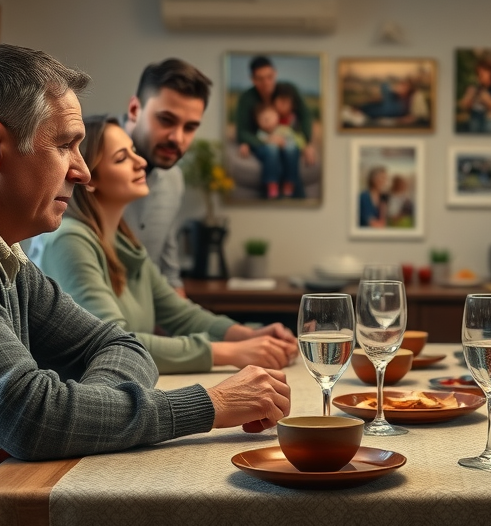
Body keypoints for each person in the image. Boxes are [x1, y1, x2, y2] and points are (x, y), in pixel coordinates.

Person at [0, 43, 290, 526]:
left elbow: (117, 342)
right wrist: (211, 404)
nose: (82, 171)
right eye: (65, 145)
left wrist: (86, 413)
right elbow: (28, 416)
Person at [32, 115, 298, 374]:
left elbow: (180, 314)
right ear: (89, 178)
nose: (141, 162)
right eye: (122, 158)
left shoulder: (123, 242)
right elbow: (115, 343)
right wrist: (231, 353)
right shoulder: (69, 240)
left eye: (134, 151)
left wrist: (249, 335)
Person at [122, 58, 212, 296]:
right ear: (134, 109)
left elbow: (169, 277)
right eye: (166, 120)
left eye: (190, 127)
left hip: (143, 330)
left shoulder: (174, 179)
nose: (177, 138)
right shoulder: (82, 164)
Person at [236, 56, 313, 153]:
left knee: (291, 150)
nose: (266, 83)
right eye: (260, 79)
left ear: (275, 73)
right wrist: (265, 140)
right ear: (253, 79)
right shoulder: (247, 98)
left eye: (270, 77)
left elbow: (305, 115)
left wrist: (306, 143)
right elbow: (242, 132)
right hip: (262, 141)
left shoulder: (287, 90)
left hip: (288, 139)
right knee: (271, 152)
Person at [245, 102, 303, 199]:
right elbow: (258, 142)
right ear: (257, 122)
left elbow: (297, 140)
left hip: (286, 153)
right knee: (272, 148)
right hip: (271, 155)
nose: (267, 121)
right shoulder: (260, 134)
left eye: (269, 117)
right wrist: (270, 140)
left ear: (277, 117)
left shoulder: (284, 129)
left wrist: (286, 143)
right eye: (262, 119)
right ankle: (271, 184)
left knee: (291, 148)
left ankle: (290, 183)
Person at [458, 58, 491, 133]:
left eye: (482, 73)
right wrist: (468, 97)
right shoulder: (476, 89)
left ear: (490, 72)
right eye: (477, 74)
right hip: (475, 123)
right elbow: (464, 107)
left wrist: (487, 100)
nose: (479, 76)